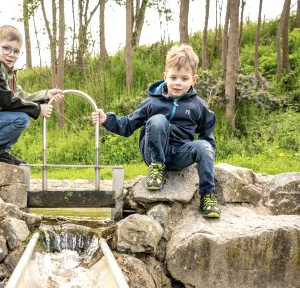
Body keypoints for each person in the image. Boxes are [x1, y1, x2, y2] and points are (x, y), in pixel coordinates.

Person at [91, 44, 220, 218]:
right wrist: (107, 120)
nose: (178, 83)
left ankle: (208, 197)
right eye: (173, 77)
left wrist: (206, 160)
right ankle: (157, 168)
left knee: (204, 146)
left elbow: (207, 135)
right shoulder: (153, 101)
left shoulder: (198, 105)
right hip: (153, 153)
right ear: (165, 76)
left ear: (193, 80)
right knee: (157, 120)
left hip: (180, 154)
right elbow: (129, 125)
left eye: (184, 79)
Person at [0, 25, 63, 166]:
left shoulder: (7, 72)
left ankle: (3, 153)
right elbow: (6, 100)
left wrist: (45, 94)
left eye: (16, 51)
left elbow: (20, 96)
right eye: (6, 48)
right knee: (21, 119)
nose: (11, 54)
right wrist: (37, 109)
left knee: (21, 116)